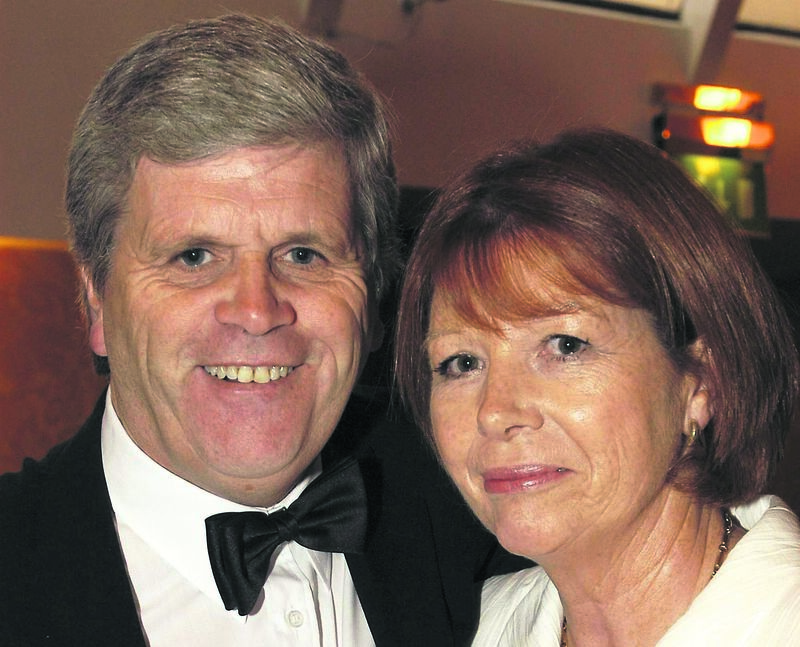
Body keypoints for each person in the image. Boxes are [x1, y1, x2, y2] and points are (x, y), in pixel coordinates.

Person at [0, 15, 522, 647]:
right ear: (97, 302)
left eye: (304, 254)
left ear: (376, 298)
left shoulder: (483, 510)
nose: (256, 310)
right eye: (194, 257)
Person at [395, 128, 800, 645]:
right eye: (460, 362)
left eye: (564, 345)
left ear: (701, 383)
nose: (494, 411)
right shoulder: (486, 626)